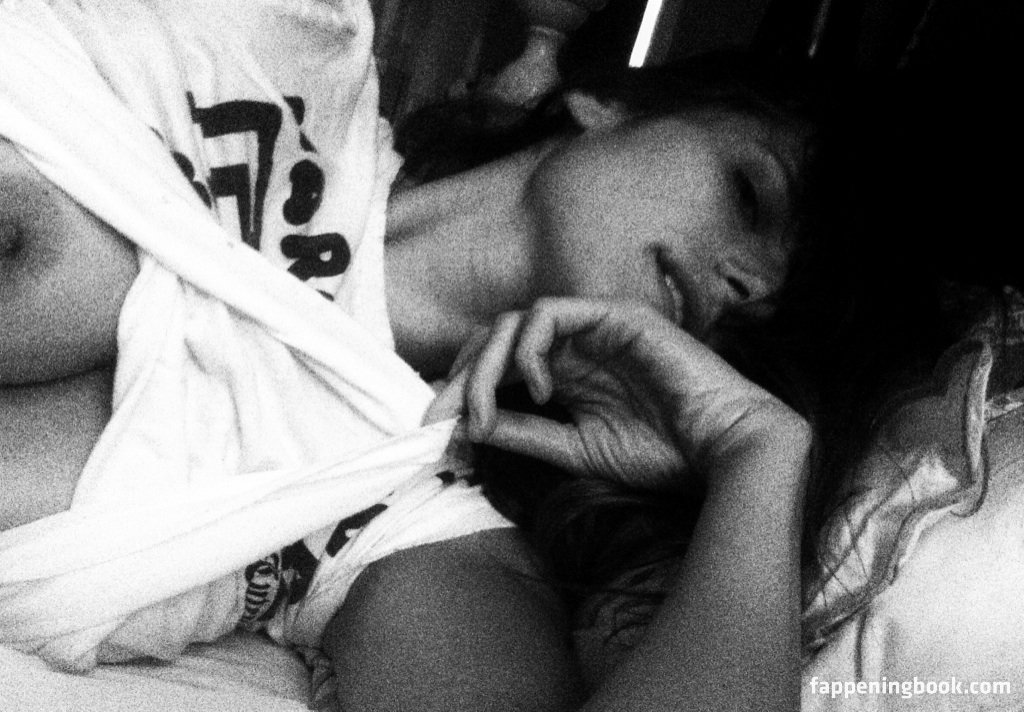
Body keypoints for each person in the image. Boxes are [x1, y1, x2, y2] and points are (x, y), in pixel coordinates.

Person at [0, 1, 832, 710]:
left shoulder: (419, 517)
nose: (749, 282)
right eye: (749, 195)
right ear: (608, 103)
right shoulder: (295, 40)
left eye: (769, 312)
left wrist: (758, 456)